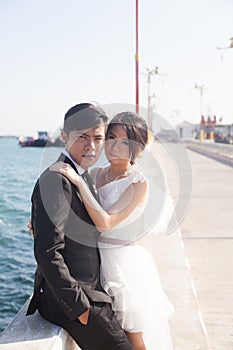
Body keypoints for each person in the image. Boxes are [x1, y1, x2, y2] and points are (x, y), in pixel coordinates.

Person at [50, 111, 174, 350]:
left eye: (125, 142)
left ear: (137, 148)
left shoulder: (138, 182)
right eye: (111, 137)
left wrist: (77, 181)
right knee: (111, 335)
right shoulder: (96, 174)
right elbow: (76, 215)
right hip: (95, 261)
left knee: (133, 338)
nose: (114, 146)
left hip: (121, 265)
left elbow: (105, 222)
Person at [26, 103, 134, 350]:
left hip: (94, 291)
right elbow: (47, 251)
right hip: (76, 302)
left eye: (97, 138)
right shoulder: (56, 179)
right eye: (83, 137)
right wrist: (79, 308)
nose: (92, 146)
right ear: (64, 136)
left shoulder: (83, 175)